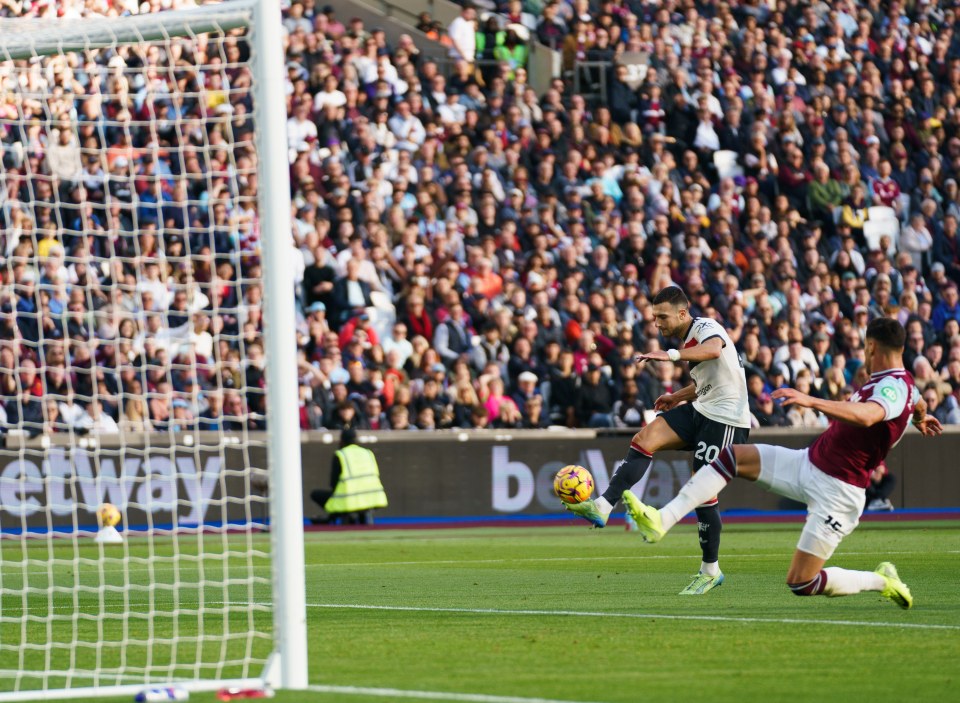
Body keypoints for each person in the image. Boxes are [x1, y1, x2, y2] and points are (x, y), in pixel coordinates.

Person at [622, 319, 942, 609]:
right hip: (809, 464)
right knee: (732, 456)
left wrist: (811, 400)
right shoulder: (903, 382)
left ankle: (882, 580)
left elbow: (869, 415)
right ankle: (662, 519)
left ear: (871, 346)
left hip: (839, 492)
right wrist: (922, 417)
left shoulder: (891, 386)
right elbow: (917, 401)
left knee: (802, 582)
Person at [566, 286, 751, 595]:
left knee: (702, 489)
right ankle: (602, 506)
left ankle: (710, 570)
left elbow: (715, 350)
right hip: (701, 408)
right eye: (654, 317)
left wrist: (670, 356)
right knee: (645, 437)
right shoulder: (688, 338)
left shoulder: (706, 327)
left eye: (662, 317)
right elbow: (709, 381)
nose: (657, 324)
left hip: (726, 419)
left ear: (683, 313)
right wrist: (676, 396)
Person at [310, 428, 388, 525]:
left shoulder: (341, 454)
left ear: (341, 440)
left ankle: (336, 518)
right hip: (373, 499)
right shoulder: (368, 453)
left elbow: (333, 484)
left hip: (348, 502)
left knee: (315, 494)